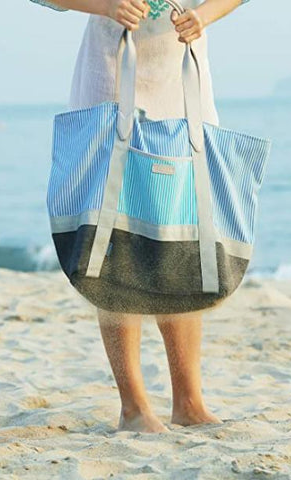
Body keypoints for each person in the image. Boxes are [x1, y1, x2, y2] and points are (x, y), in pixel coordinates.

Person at [30, 0, 249, 433]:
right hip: (110, 74)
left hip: (183, 78)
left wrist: (204, 15)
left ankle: (188, 403)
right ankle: (133, 408)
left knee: (182, 237)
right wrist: (106, 6)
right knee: (116, 243)